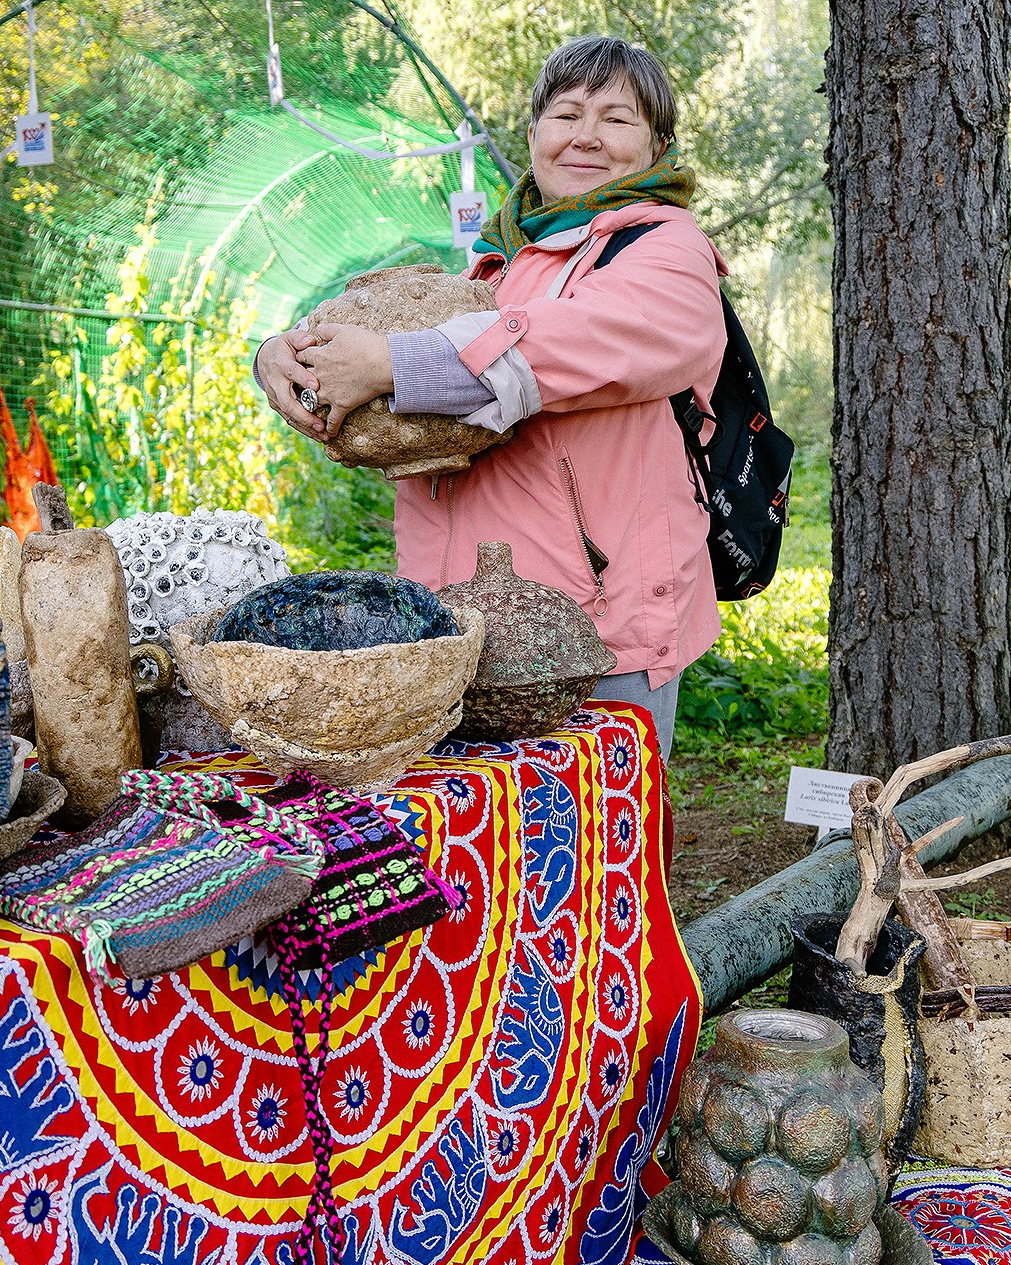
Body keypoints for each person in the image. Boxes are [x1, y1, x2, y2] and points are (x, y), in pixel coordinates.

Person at [254, 35, 725, 757]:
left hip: (591, 635)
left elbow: (572, 342)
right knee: (482, 853)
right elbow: (395, 385)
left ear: (657, 145)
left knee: (597, 854)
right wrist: (284, 356)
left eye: (617, 118)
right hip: (455, 623)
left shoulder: (667, 250)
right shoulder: (498, 265)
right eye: (566, 114)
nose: (587, 136)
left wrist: (387, 362)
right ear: (534, 133)